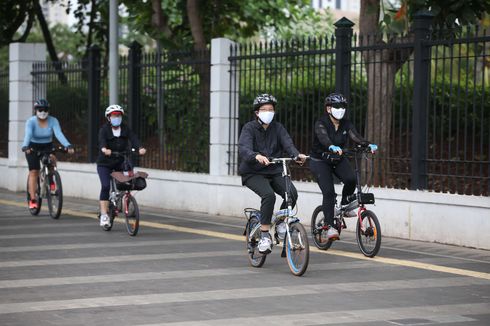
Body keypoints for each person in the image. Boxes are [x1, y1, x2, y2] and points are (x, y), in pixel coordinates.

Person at [238, 94, 307, 254]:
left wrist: (297, 155)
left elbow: (288, 144)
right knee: (269, 196)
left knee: (291, 193)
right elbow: (244, 148)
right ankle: (264, 235)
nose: (268, 112)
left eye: (271, 109)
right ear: (257, 113)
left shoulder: (278, 128)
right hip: (253, 172)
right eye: (264, 110)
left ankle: (281, 223)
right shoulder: (249, 128)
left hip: (274, 170)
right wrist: (256, 156)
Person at [309, 93, 377, 240]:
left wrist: (367, 144)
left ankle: (345, 203)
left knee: (351, 179)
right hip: (320, 161)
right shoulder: (321, 122)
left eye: (343, 107)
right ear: (328, 109)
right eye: (337, 107)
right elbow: (323, 137)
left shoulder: (346, 123)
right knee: (329, 193)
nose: (340, 109)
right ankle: (329, 226)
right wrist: (331, 146)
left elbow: (355, 136)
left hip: (337, 158)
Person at [97, 104, 146, 228]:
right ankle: (104, 214)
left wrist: (140, 148)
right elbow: (102, 141)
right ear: (109, 117)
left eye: (118, 115)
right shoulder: (104, 129)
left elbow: (133, 138)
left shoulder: (125, 128)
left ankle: (127, 202)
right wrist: (104, 149)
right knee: (105, 186)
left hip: (121, 161)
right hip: (105, 163)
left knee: (129, 181)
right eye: (114, 115)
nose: (116, 117)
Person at [22, 99, 74, 209]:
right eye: (40, 109)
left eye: (45, 109)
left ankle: (52, 181)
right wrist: (25, 146)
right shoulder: (31, 121)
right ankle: (32, 199)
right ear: (35, 110)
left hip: (47, 146)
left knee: (52, 159)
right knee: (34, 171)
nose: (43, 112)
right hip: (32, 147)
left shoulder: (53, 120)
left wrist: (68, 145)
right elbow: (28, 134)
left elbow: (59, 134)